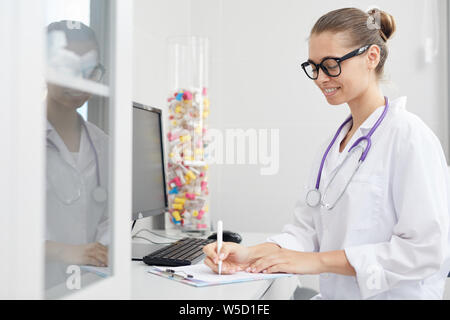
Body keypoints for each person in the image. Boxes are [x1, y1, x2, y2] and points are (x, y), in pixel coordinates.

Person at [203, 7, 450, 299]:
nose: (321, 78)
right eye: (314, 67)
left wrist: (315, 262)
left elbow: (424, 251)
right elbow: (307, 232)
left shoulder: (409, 137)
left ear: (371, 57)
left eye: (331, 64)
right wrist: (249, 253)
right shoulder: (333, 147)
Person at [44, 20, 109, 289]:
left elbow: (108, 219)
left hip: (91, 281)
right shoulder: (13, 138)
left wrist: (102, 251)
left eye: (88, 71)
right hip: (33, 285)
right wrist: (61, 250)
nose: (79, 81)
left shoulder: (102, 143)